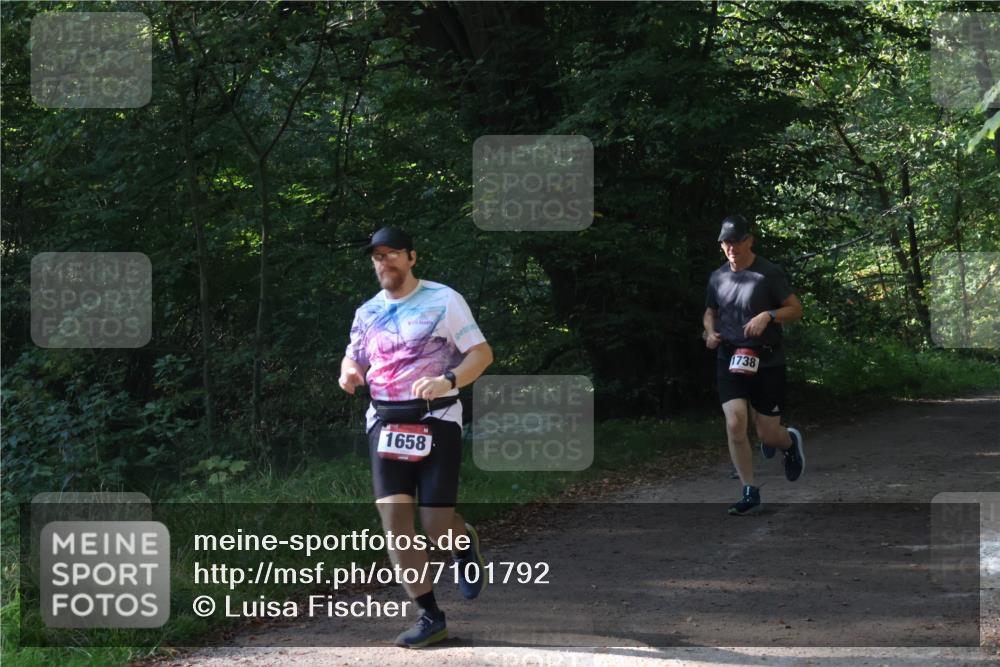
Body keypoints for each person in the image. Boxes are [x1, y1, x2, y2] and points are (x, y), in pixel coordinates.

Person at [339, 226, 494, 647]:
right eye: (377, 256)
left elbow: (481, 354)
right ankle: (430, 616)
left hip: (437, 419)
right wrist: (348, 372)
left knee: (436, 526)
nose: (384, 262)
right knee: (395, 526)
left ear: (411, 257)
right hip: (385, 424)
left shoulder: (444, 300)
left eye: (392, 254)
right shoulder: (367, 312)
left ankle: (462, 543)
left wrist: (448, 379)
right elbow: (353, 356)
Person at [703, 215, 806, 515]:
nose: (731, 247)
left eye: (736, 241)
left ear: (750, 240)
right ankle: (749, 490)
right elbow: (709, 312)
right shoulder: (717, 277)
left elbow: (796, 309)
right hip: (729, 357)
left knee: (767, 434)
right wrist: (710, 332)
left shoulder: (768, 273)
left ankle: (789, 443)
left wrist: (768, 316)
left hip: (767, 360)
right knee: (735, 423)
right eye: (726, 242)